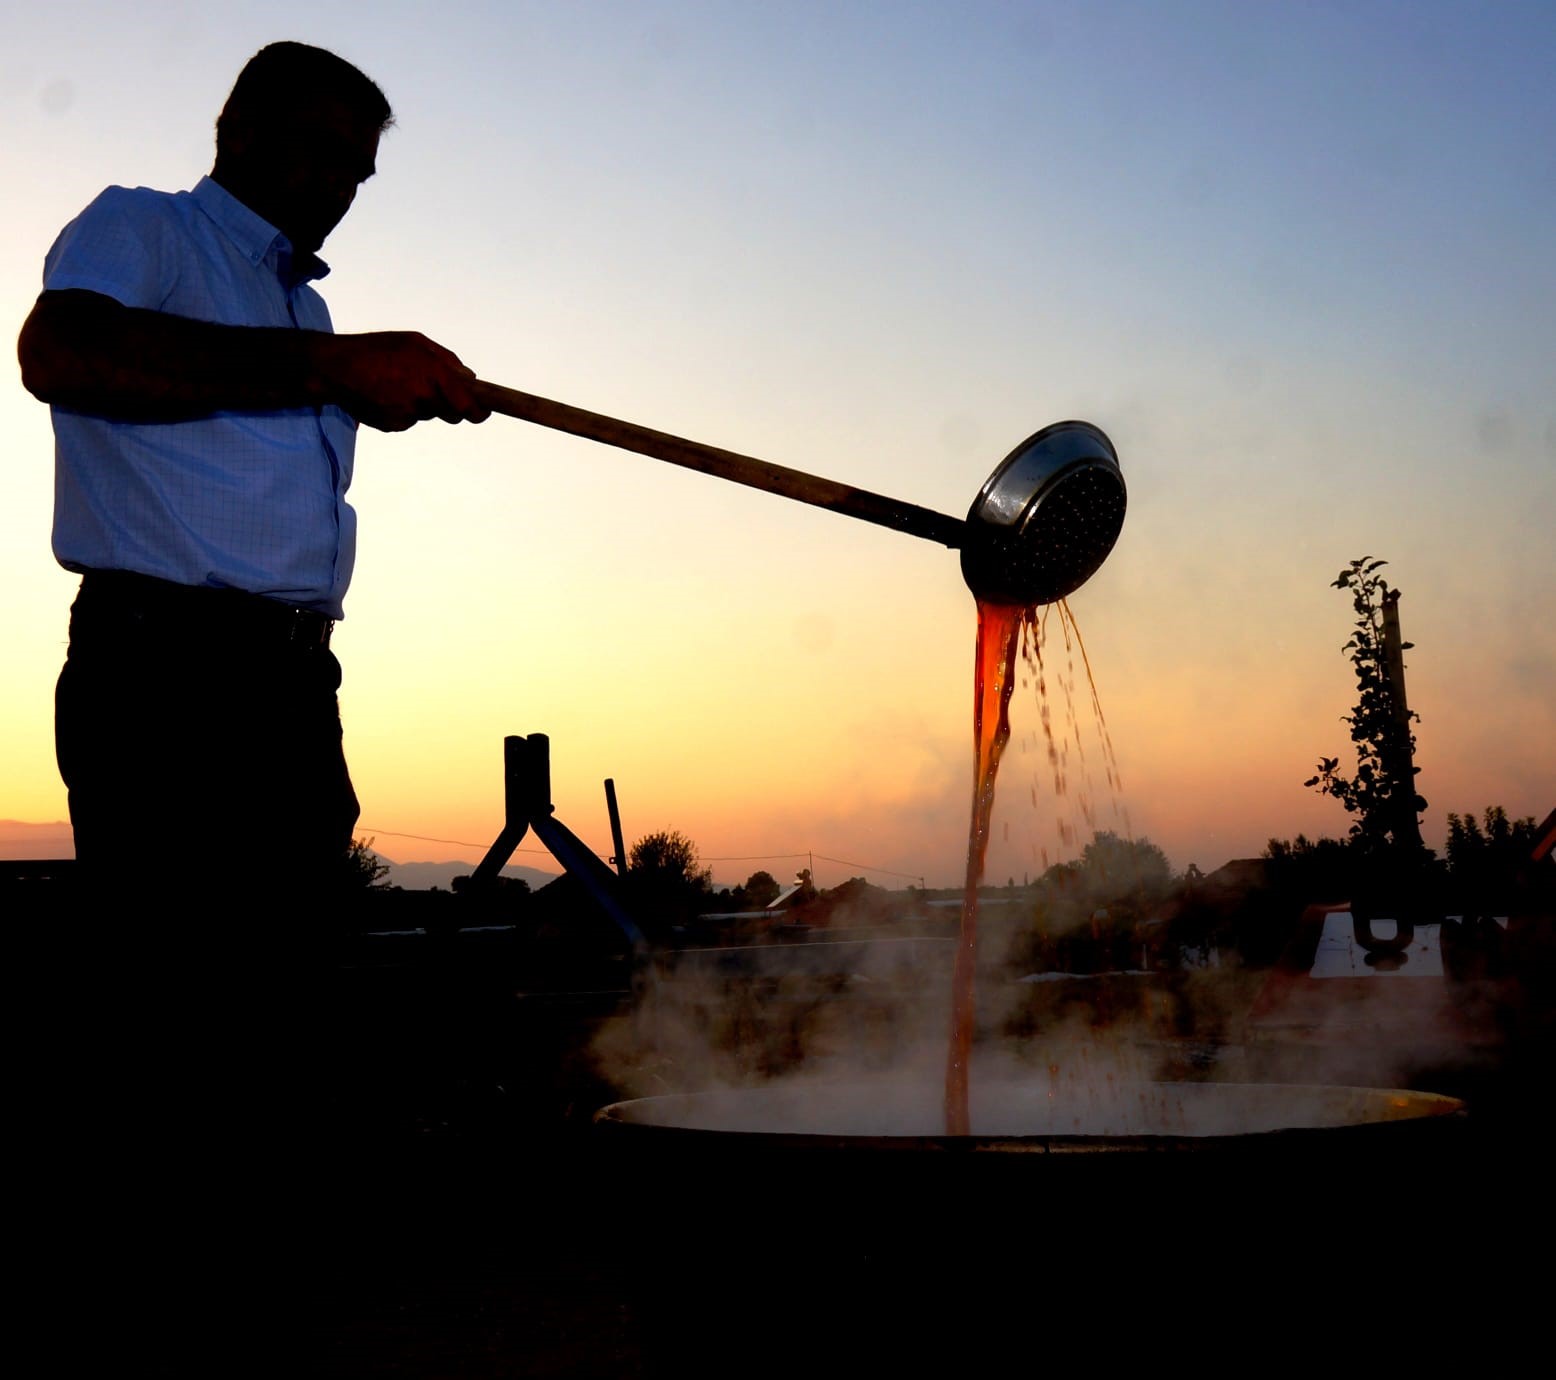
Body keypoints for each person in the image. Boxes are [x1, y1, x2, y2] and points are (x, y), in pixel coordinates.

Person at [17, 42, 488, 1372]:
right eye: (315, 149)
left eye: (356, 169)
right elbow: (67, 352)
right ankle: (151, 1314)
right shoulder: (147, 229)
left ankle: (239, 1307)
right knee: (174, 1019)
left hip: (289, 685)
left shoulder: (306, 316)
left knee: (269, 1017)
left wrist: (348, 374)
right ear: (234, 121)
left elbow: (265, 432)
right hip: (167, 674)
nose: (336, 186)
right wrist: (336, 378)